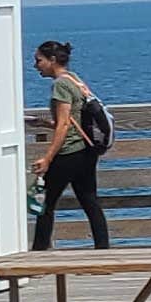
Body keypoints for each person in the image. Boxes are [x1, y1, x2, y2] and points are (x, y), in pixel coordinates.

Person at [29, 38, 110, 247]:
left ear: (52, 60)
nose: (35, 65)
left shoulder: (60, 85)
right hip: (86, 151)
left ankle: (38, 255)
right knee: (90, 201)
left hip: (69, 153)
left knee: (45, 203)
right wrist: (47, 124)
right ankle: (103, 252)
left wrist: (47, 158)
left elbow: (64, 125)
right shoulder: (74, 79)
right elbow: (72, 120)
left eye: (38, 60)